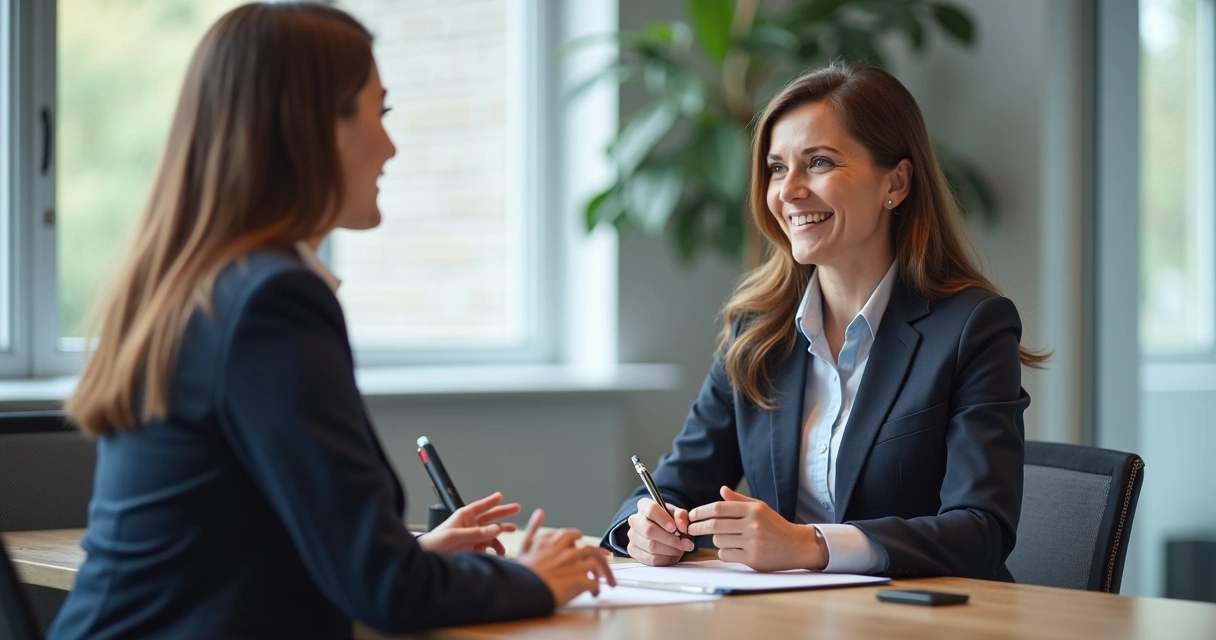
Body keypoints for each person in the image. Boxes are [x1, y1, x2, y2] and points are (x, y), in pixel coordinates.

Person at [50, 4, 612, 638]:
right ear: (311, 128)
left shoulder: (201, 284)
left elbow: (240, 549)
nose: (391, 145)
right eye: (381, 112)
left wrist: (410, 556)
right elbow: (386, 592)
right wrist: (533, 578)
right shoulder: (272, 301)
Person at [602, 61, 1044, 580]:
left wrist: (810, 544)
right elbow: (674, 483)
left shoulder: (972, 327)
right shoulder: (758, 331)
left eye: (819, 163)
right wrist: (644, 525)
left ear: (896, 183)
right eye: (776, 167)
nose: (788, 191)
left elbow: (981, 531)